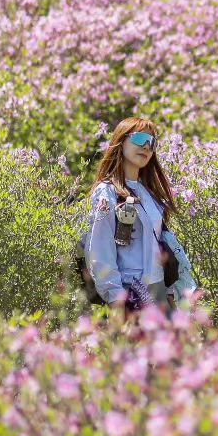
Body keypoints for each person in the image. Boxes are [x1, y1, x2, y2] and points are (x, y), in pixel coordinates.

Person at [83, 117, 193, 311]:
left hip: (159, 292)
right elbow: (99, 251)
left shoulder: (149, 194)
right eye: (140, 138)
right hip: (129, 293)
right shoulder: (106, 192)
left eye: (152, 142)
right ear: (121, 141)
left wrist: (170, 297)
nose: (146, 147)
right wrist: (116, 298)